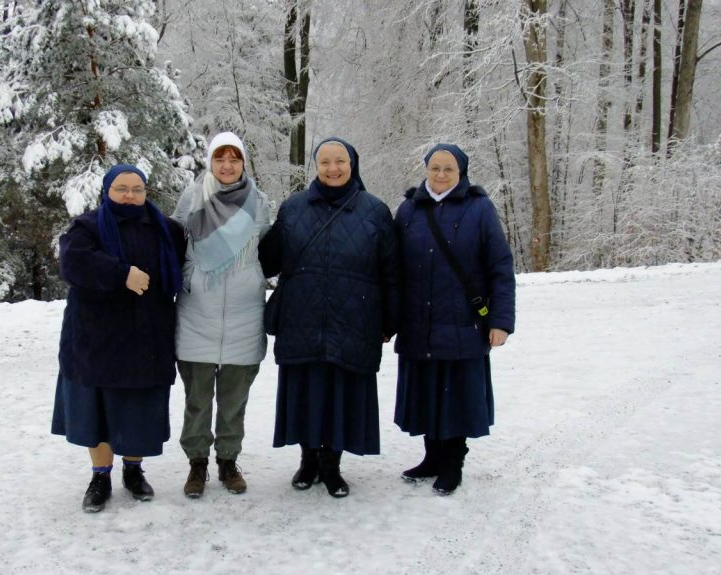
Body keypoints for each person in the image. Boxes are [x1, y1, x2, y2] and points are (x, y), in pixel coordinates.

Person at [258, 137, 400, 498]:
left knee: (340, 392)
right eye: (325, 162)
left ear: (352, 165)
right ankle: (308, 460)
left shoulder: (375, 211)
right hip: (302, 317)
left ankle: (332, 466)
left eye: (340, 162)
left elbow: (392, 272)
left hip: (354, 317)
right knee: (306, 390)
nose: (332, 169)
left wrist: (390, 320)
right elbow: (267, 260)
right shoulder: (293, 208)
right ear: (315, 166)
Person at [52, 164, 185, 513]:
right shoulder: (88, 226)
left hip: (147, 335)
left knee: (137, 408)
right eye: (121, 188)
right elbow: (71, 262)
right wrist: (120, 273)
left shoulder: (166, 229)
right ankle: (100, 476)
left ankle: (133, 471)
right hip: (96, 338)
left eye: (137, 189)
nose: (130, 195)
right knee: (97, 409)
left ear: (146, 192)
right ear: (107, 191)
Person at [392, 144, 515, 495]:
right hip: (419, 323)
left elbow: (500, 267)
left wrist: (501, 321)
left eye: (449, 169)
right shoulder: (409, 209)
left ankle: (452, 464)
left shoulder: (479, 209)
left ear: (461, 172)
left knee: (456, 396)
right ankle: (432, 457)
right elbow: (394, 268)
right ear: (426, 170)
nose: (441, 175)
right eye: (435, 168)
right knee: (428, 393)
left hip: (463, 322)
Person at [170, 132, 271, 498]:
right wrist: (188, 279)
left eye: (235, 158)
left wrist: (256, 279)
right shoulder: (192, 197)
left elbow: (270, 248)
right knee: (197, 400)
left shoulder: (258, 202)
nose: (227, 165)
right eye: (220, 158)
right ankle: (197, 464)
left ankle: (228, 461)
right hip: (198, 312)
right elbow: (174, 245)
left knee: (233, 401)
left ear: (244, 162)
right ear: (210, 161)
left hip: (245, 314)